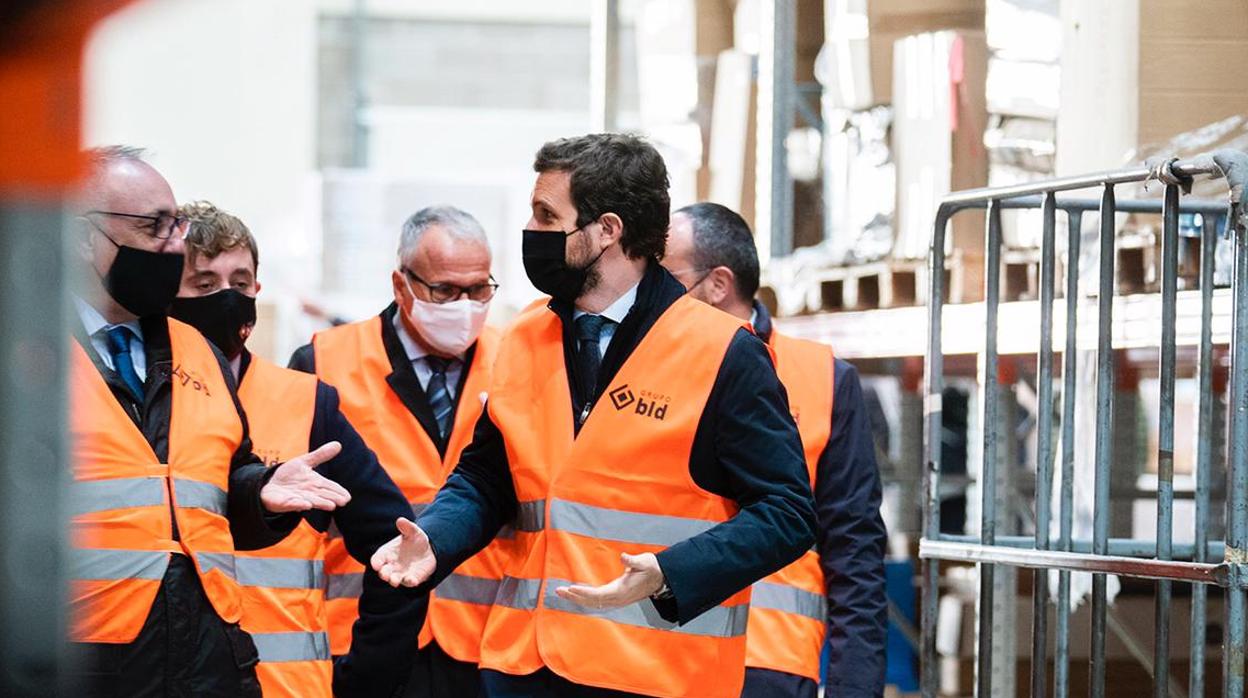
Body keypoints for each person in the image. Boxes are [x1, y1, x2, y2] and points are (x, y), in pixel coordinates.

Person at [369, 133, 818, 698]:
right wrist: (435, 538)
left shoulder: (724, 351)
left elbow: (788, 514)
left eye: (546, 215)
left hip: (655, 675)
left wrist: (671, 572)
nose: (531, 232)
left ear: (607, 230)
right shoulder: (528, 335)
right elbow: (487, 477)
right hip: (524, 670)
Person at [67, 146, 352, 697]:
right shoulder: (25, 353)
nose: (175, 243)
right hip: (83, 663)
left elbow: (216, 490)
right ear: (83, 237)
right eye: (155, 226)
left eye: (178, 224)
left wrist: (261, 493)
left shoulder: (195, 350)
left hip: (205, 656)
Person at [168, 201, 428, 697]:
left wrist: (367, 679)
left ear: (257, 291)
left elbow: (397, 546)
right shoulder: (138, 402)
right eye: (203, 285)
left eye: (239, 283)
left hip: (286, 686)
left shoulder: (306, 402)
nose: (226, 298)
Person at [663, 202, 888, 698]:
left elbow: (854, 551)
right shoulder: (644, 370)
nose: (650, 294)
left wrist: (855, 689)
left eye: (666, 277)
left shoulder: (823, 380)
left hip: (766, 665)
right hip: (649, 656)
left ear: (718, 284)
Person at [288, 206, 507, 698]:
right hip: (360, 633)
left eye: (479, 289)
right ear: (401, 284)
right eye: (445, 291)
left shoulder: (516, 364)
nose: (465, 306)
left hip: (481, 643)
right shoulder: (323, 362)